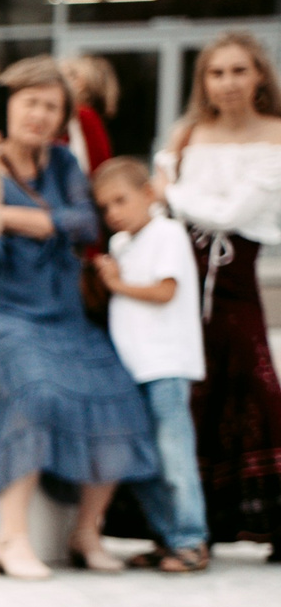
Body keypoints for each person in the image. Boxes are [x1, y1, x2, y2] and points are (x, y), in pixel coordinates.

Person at [0, 56, 158, 579]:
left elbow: (86, 222)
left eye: (51, 107)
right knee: (33, 390)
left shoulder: (62, 165)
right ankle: (11, 538)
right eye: (30, 102)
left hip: (59, 309)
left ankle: (87, 530)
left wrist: (23, 219)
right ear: (6, 105)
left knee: (119, 393)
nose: (39, 115)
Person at [157, 31, 281, 557]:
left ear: (259, 76)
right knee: (190, 394)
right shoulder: (187, 135)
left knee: (258, 388)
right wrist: (174, 196)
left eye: (238, 71)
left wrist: (176, 194)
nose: (228, 83)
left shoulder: (276, 135)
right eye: (217, 72)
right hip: (183, 274)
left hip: (236, 277)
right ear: (203, 81)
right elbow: (160, 204)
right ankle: (187, 525)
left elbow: (233, 214)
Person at [90, 157, 208, 574]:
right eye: (104, 207)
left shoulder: (167, 233)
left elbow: (165, 291)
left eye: (120, 200)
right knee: (145, 461)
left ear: (149, 194)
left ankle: (191, 539)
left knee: (174, 455)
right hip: (133, 368)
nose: (113, 213)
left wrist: (117, 284)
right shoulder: (122, 245)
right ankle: (166, 538)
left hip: (166, 365)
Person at [65, 55, 118, 175]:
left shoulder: (83, 116)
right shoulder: (85, 116)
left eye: (65, 76)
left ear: (80, 83)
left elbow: (98, 164)